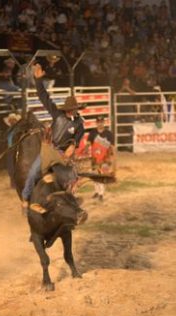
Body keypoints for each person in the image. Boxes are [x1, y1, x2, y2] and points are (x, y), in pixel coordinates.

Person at [21, 63, 85, 209]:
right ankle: (25, 199)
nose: (71, 112)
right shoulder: (58, 114)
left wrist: (72, 145)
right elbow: (44, 97)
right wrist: (38, 81)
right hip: (50, 150)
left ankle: (71, 200)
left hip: (63, 154)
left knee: (71, 177)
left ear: (75, 110)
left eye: (73, 109)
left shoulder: (79, 124)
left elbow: (77, 138)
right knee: (33, 172)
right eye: (69, 109)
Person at [87, 116, 115, 201]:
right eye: (98, 122)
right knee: (95, 175)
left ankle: (101, 194)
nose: (100, 123)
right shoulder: (92, 133)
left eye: (101, 122)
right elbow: (88, 143)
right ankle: (96, 191)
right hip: (95, 158)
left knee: (102, 175)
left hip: (104, 158)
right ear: (96, 123)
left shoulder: (109, 134)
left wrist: (111, 157)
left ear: (104, 122)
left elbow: (112, 146)